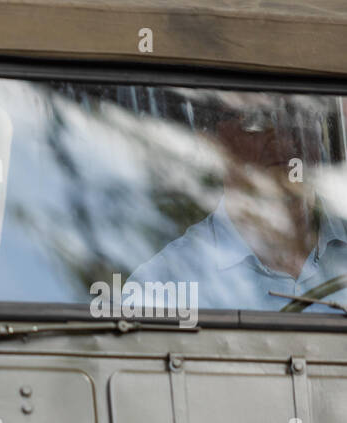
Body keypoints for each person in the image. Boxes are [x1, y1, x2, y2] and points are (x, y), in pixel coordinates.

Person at [130, 94, 347, 312]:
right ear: (215, 142)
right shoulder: (168, 281)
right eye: (257, 119)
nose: (285, 139)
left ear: (321, 135)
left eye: (300, 118)